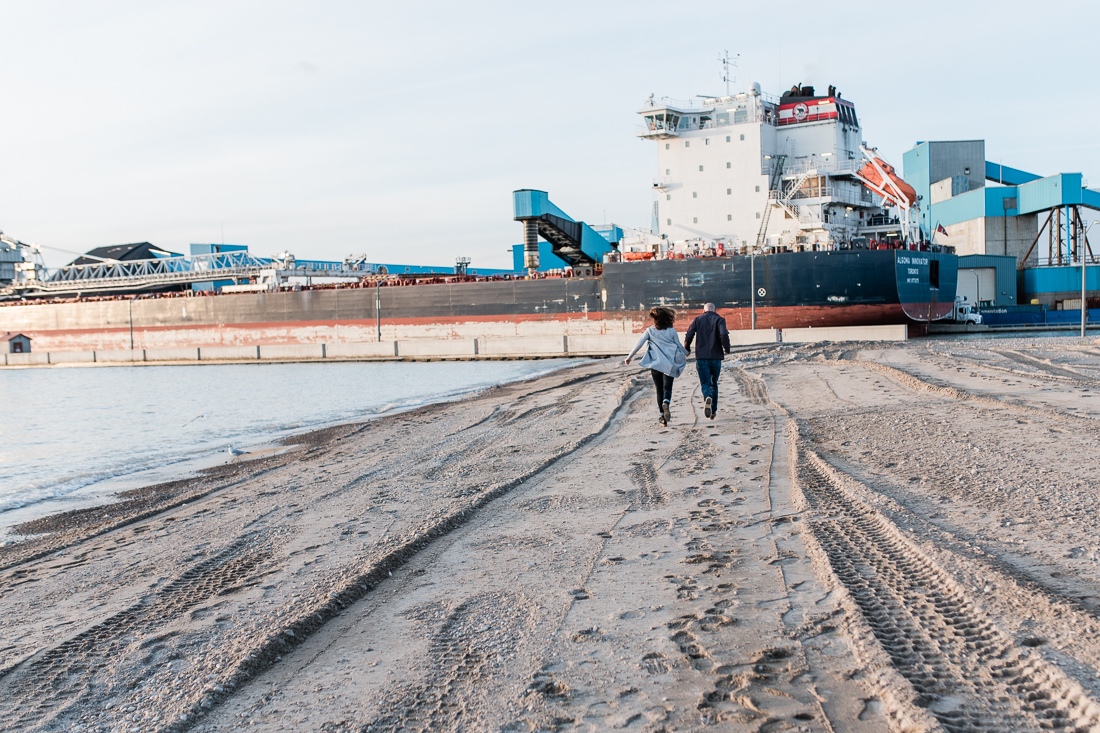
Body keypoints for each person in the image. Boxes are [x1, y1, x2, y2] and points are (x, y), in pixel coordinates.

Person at [624, 306, 687, 427]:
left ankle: (663, 416)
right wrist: (686, 352)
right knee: (667, 388)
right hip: (669, 364)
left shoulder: (650, 331)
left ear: (655, 319)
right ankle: (666, 402)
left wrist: (629, 357)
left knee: (659, 389)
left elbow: (639, 343)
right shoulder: (671, 330)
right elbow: (678, 345)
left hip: (656, 365)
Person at [684, 303, 730, 420]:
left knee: (705, 383)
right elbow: (723, 334)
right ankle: (713, 411)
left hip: (701, 357)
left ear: (703, 310)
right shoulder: (720, 319)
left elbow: (689, 334)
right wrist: (727, 348)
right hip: (716, 357)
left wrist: (687, 348)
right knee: (714, 383)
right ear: (715, 310)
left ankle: (707, 396)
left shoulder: (698, 319)